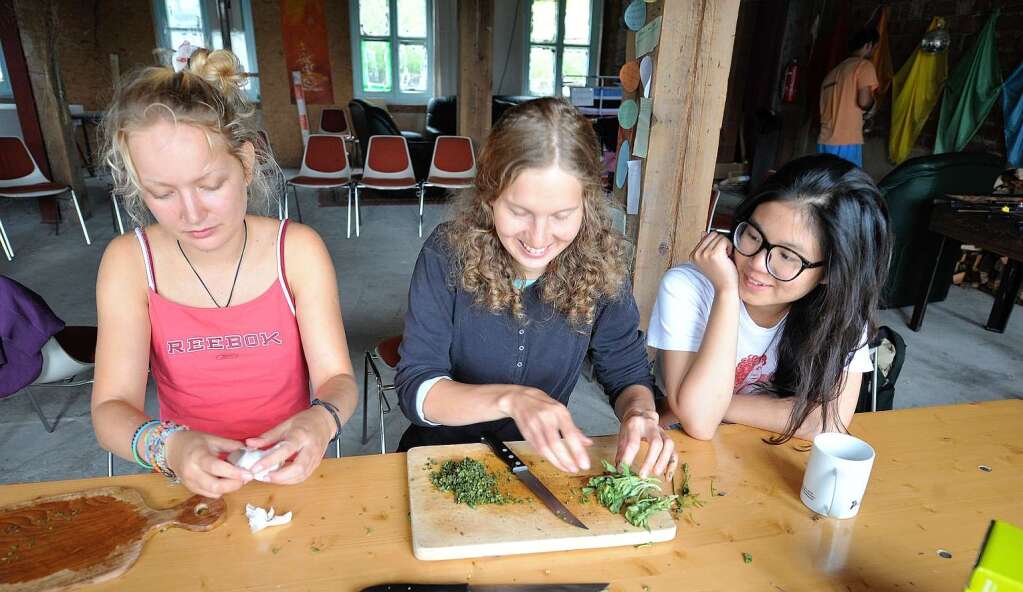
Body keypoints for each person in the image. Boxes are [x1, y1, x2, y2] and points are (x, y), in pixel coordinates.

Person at [92, 49, 357, 498]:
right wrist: (171, 448)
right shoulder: (130, 263)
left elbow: (338, 380)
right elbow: (110, 410)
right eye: (162, 193)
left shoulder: (295, 251)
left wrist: (318, 421)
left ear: (247, 164)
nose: (192, 213)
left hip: (289, 471)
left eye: (210, 185)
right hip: (187, 479)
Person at [394, 97, 674, 478]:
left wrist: (641, 413)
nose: (539, 239)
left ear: (586, 203)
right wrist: (512, 400)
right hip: (441, 458)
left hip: (540, 462)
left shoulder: (602, 261)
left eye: (561, 215)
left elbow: (626, 372)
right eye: (519, 212)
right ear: (489, 196)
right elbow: (417, 388)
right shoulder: (447, 252)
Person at [648, 154, 891, 443]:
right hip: (688, 449)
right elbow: (699, 423)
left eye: (787, 256)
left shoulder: (842, 309)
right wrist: (726, 293)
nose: (757, 264)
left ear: (829, 272)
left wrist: (710, 406)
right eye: (752, 235)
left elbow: (827, 422)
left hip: (768, 451)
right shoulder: (688, 287)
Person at [817, 27, 880, 167]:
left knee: (825, 185)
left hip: (824, 141)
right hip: (846, 140)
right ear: (868, 45)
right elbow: (864, 102)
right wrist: (872, 105)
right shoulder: (864, 66)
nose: (873, 52)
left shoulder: (832, 73)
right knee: (846, 186)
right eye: (874, 48)